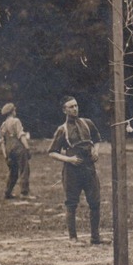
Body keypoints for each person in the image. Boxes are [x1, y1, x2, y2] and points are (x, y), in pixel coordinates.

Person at [47, 96, 103, 245]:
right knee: (71, 203)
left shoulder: (87, 123)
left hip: (89, 168)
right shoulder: (62, 129)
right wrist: (69, 159)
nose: (75, 109)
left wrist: (96, 151)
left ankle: (95, 237)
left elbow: (97, 139)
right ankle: (73, 238)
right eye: (71, 107)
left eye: (76, 106)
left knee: (95, 202)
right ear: (64, 110)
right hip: (72, 171)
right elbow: (52, 152)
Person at [0, 103, 31, 201]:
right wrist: (27, 148)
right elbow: (21, 135)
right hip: (18, 148)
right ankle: (24, 193)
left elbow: (2, 142)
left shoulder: (3, 125)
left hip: (9, 150)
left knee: (13, 172)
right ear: (12, 111)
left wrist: (5, 155)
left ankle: (7, 192)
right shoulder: (16, 121)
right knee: (24, 169)